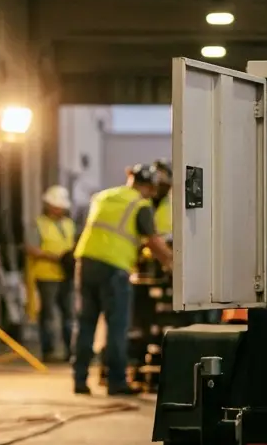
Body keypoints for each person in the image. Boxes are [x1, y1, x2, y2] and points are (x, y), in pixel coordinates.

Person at [71, 164, 173, 396]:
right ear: (148, 187)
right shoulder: (140, 205)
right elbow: (153, 242)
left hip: (85, 262)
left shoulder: (104, 196)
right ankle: (117, 382)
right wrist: (172, 263)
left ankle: (79, 380)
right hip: (114, 268)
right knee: (117, 326)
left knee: (85, 323)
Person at [24, 185, 77, 362]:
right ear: (48, 205)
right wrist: (56, 258)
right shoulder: (38, 223)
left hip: (66, 276)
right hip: (46, 275)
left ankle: (71, 351)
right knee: (47, 315)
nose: (59, 209)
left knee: (69, 315)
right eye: (56, 206)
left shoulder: (69, 224)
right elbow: (32, 249)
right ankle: (48, 351)